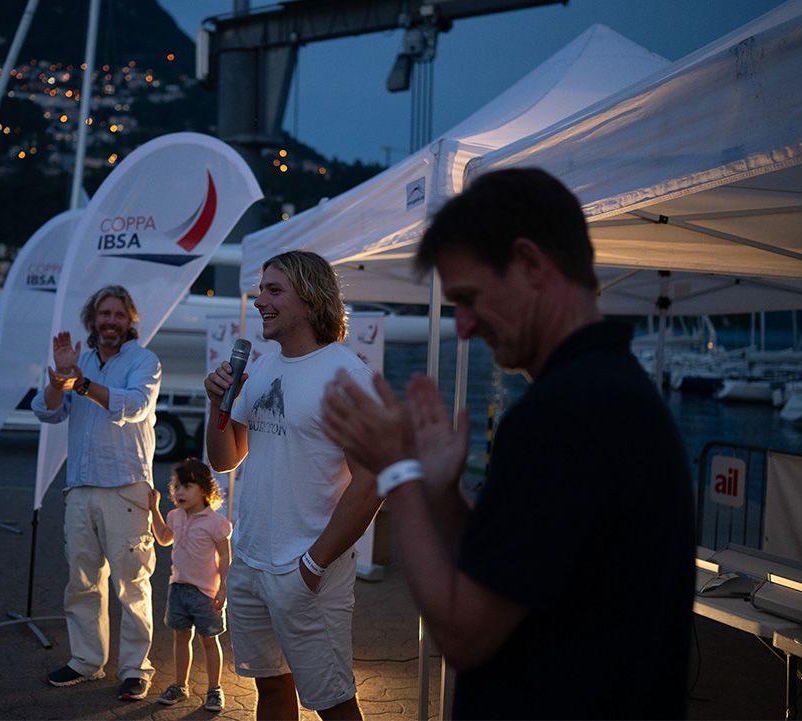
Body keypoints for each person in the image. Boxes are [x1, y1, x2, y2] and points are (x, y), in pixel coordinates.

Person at [321, 168, 695, 719]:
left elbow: (463, 634)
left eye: (469, 298)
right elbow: (511, 574)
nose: (464, 327)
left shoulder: (565, 413)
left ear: (529, 264)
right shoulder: (613, 390)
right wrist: (442, 495)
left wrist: (397, 473)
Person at [204, 250, 382, 720]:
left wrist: (312, 565)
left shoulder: (347, 376)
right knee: (270, 691)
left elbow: (372, 481)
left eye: (274, 290)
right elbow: (225, 458)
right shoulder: (263, 368)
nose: (260, 300)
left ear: (310, 298)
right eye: (261, 289)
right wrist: (215, 404)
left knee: (334, 704)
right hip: (250, 562)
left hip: (306, 571)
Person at [31, 285, 161, 702]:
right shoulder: (80, 361)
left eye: (119, 315)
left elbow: (135, 406)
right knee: (82, 582)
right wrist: (58, 380)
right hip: (81, 488)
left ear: (130, 321)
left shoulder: (144, 361)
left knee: (133, 584)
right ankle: (86, 661)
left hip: (126, 489)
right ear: (93, 319)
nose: (110, 321)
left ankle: (135, 668)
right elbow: (47, 410)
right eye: (104, 314)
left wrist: (81, 383)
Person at [148, 457, 233, 713]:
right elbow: (164, 538)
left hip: (205, 592)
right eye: (176, 486)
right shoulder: (175, 516)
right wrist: (154, 510)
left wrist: (223, 588)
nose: (179, 492)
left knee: (209, 641)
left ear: (205, 490)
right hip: (178, 587)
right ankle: (179, 685)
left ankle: (214, 689)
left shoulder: (215, 522)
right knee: (180, 637)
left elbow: (225, 556)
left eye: (187, 486)